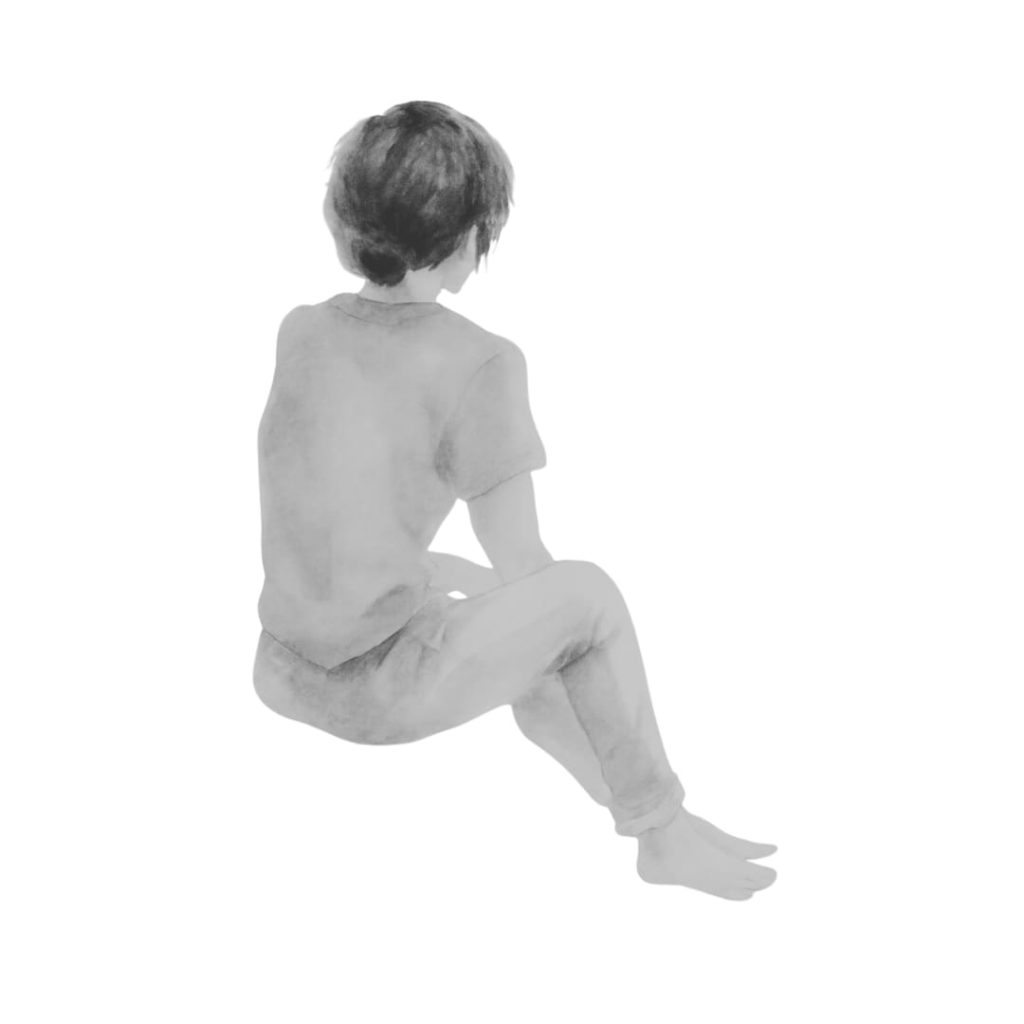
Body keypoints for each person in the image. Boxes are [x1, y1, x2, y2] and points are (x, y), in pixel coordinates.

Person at [253, 100, 777, 900]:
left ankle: (654, 817)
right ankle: (660, 831)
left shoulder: (303, 330)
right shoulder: (480, 362)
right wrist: (517, 607)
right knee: (585, 601)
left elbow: (329, 515)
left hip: (282, 669)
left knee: (517, 616)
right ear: (467, 235)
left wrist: (470, 588)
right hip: (372, 694)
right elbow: (526, 564)